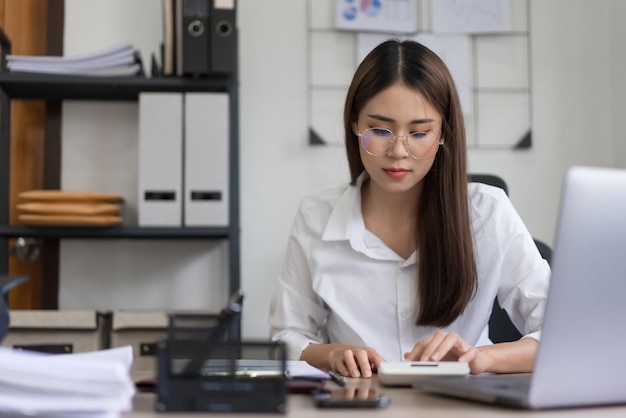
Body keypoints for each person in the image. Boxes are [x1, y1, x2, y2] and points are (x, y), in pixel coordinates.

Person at [269, 39, 550, 378]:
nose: (398, 151)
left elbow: (563, 333)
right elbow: (285, 336)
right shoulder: (316, 217)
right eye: (379, 130)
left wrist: (481, 358)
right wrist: (328, 354)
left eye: (419, 133)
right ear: (355, 125)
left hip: (461, 407)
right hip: (360, 405)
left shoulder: (488, 212)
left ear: (443, 133)